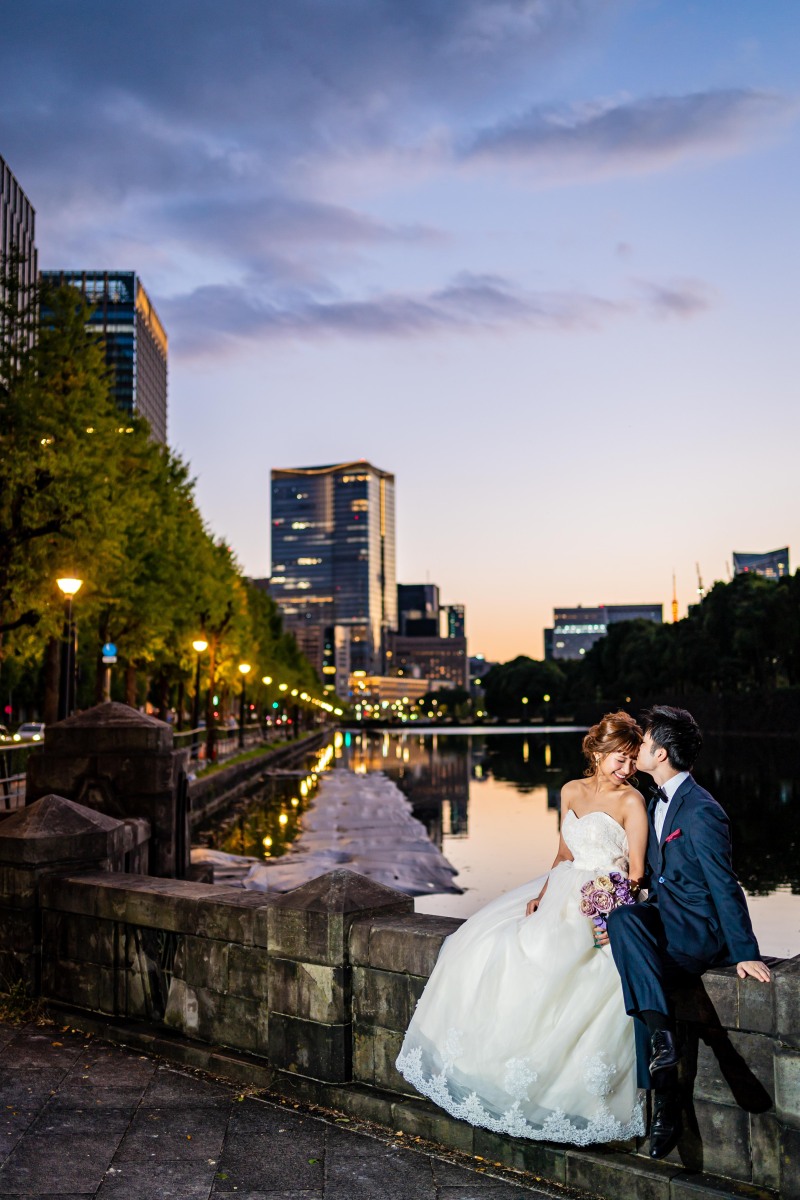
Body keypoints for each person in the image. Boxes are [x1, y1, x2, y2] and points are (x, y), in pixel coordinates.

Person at [395, 712, 649, 1146]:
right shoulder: (570, 790)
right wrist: (544, 893)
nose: (625, 770)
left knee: (555, 963)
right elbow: (562, 855)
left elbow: (638, 875)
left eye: (631, 761)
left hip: (604, 898)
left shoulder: (632, 802)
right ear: (598, 752)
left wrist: (610, 910)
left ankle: (556, 1097)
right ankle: (486, 1072)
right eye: (618, 760)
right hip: (564, 889)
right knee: (481, 945)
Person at [605, 705, 771, 1160]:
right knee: (621, 922)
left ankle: (666, 1107)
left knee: (641, 972)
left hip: (697, 932)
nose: (636, 747)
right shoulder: (652, 797)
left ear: (659, 753)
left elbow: (724, 884)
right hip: (663, 917)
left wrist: (745, 951)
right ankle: (665, 1042)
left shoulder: (701, 810)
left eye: (643, 742)